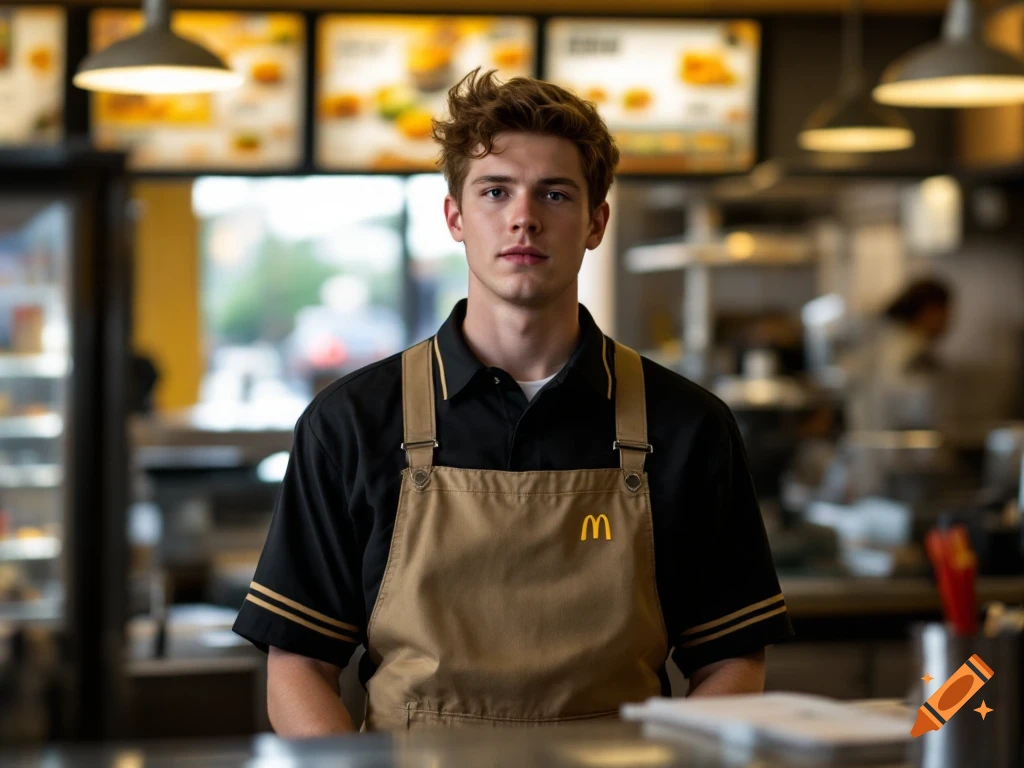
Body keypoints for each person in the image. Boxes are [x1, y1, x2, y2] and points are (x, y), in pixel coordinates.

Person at [232, 69, 793, 735]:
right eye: (495, 191)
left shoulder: (689, 425)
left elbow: (731, 661)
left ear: (595, 222)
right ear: (455, 218)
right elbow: (298, 664)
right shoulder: (351, 422)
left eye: (554, 194)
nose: (523, 216)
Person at [849, 278, 954, 431]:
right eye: (947, 312)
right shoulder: (910, 353)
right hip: (897, 447)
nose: (950, 320)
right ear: (929, 311)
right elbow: (922, 411)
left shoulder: (891, 343)